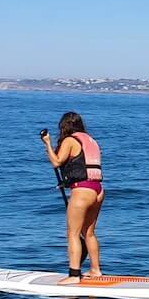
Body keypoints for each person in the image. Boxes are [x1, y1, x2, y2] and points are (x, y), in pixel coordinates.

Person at [41, 111, 104, 283]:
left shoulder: (70, 140)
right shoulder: (91, 141)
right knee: (89, 233)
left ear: (65, 126)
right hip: (98, 189)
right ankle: (96, 270)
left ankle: (74, 275)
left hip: (82, 191)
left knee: (73, 234)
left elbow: (57, 162)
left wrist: (47, 143)